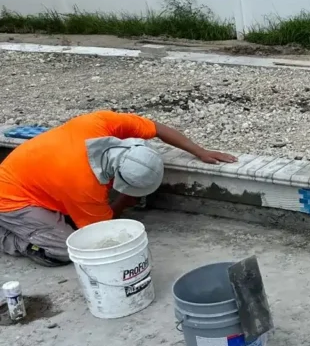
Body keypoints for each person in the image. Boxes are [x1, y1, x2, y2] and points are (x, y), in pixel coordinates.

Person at [0, 110, 236, 266]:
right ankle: (9, 236)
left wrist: (199, 151)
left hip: (32, 177)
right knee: (70, 251)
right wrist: (125, 200)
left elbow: (157, 128)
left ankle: (46, 219)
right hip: (12, 198)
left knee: (72, 222)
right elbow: (102, 234)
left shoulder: (100, 123)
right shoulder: (84, 187)